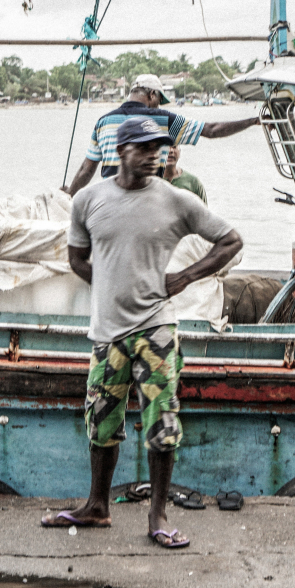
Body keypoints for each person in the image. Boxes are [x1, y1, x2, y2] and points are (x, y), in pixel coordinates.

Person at [46, 116, 242, 548]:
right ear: (121, 151)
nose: (155, 155)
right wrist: (112, 284)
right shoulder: (88, 200)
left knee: (162, 423)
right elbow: (77, 259)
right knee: (100, 421)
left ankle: (158, 514)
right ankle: (97, 506)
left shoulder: (175, 200)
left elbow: (231, 240)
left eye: (159, 148)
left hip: (156, 329)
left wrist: (184, 277)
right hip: (107, 334)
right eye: (145, 148)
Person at [62, 73, 256, 193]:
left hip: (110, 199)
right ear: (151, 94)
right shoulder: (163, 119)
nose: (157, 105)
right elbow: (212, 130)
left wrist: (69, 193)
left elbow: (86, 170)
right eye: (158, 99)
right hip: (148, 198)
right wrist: (253, 121)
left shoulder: (103, 122)